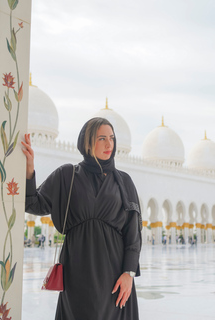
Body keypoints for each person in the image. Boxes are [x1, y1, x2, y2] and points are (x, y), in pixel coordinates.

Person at [22, 117, 142, 320]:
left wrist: (128, 273)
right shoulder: (67, 175)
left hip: (114, 276)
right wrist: (29, 169)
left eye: (111, 138)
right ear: (87, 142)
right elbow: (33, 203)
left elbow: (133, 233)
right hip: (77, 273)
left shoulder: (124, 181)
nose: (108, 144)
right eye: (101, 138)